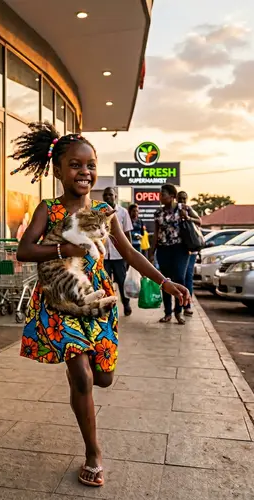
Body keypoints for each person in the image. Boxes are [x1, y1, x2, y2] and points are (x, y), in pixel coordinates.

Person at [12, 122, 189, 489]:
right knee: (83, 377)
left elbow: (129, 252)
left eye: (90, 164)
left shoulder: (106, 211)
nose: (85, 172)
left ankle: (84, 376)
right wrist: (63, 249)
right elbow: (25, 250)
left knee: (103, 378)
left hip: (99, 303)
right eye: (75, 165)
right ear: (58, 170)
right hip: (61, 303)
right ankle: (93, 453)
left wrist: (164, 281)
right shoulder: (48, 209)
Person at [150, 184, 198, 325]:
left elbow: (199, 221)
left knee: (179, 279)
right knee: (165, 281)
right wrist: (151, 253)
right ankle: (167, 313)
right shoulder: (158, 213)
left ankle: (179, 311)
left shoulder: (184, 208)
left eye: (163, 194)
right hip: (163, 249)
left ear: (172, 196)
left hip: (180, 249)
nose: (160, 196)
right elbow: (156, 234)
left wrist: (188, 217)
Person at [102, 187, 133, 316]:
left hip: (119, 255)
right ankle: (108, 307)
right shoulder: (98, 211)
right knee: (105, 283)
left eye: (110, 195)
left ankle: (126, 304)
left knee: (121, 281)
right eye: (105, 195)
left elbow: (127, 233)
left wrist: (129, 254)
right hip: (104, 256)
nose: (108, 197)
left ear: (115, 197)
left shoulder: (123, 212)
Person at [177, 190, 202, 316]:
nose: (181, 201)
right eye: (179, 199)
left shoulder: (188, 209)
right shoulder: (173, 210)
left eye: (183, 199)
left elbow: (199, 221)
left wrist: (187, 217)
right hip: (178, 249)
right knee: (178, 278)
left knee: (187, 277)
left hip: (190, 249)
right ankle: (178, 306)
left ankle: (187, 305)